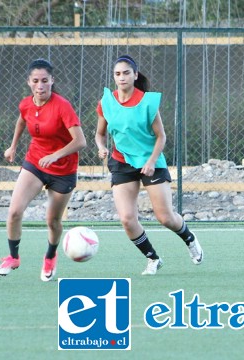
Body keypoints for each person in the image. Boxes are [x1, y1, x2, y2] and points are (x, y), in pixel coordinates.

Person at [95, 55, 203, 276]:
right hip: (121, 162)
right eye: (117, 74)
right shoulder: (106, 102)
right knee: (127, 219)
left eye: (126, 73)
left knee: (165, 217)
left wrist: (152, 161)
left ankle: (189, 239)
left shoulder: (147, 102)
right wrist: (101, 147)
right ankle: (153, 258)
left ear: (135, 75)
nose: (122, 77)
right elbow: (99, 134)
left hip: (150, 161)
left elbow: (161, 137)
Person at [0, 59, 87, 282]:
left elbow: (80, 141)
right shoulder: (26, 104)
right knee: (14, 211)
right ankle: (13, 257)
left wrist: (55, 155)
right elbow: (21, 121)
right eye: (35, 81)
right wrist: (13, 146)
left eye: (45, 81)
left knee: (52, 221)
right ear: (29, 82)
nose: (40, 86)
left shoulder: (62, 106)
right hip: (35, 162)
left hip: (62, 169)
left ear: (52, 81)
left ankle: (50, 256)